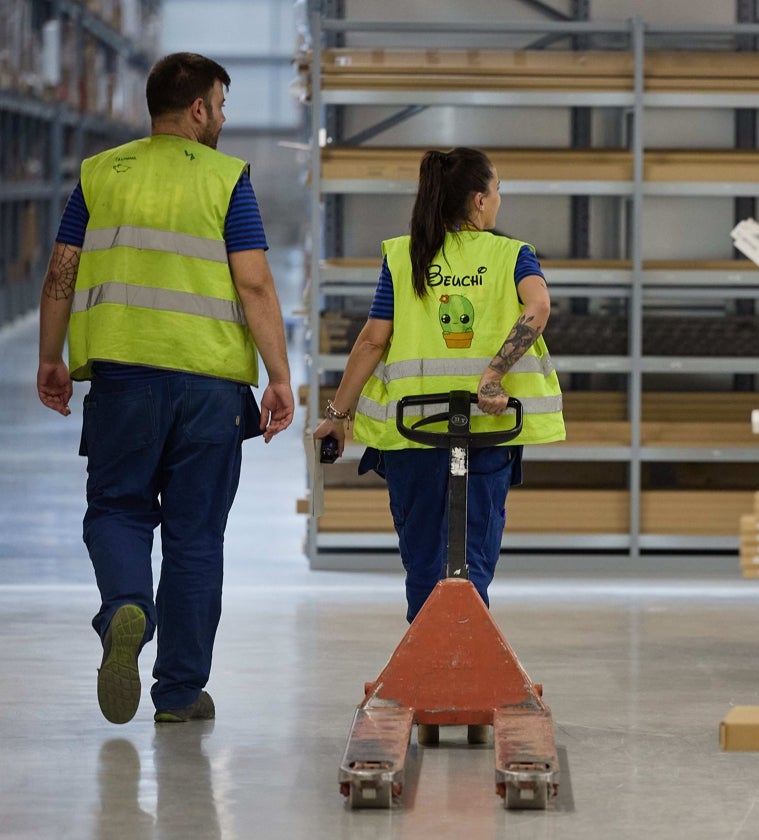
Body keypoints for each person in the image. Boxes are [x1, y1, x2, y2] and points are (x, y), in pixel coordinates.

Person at [36, 52, 294, 725]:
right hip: (210, 389)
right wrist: (280, 377)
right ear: (200, 110)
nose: (225, 119)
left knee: (118, 511)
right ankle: (178, 694)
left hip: (123, 380)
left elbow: (61, 271)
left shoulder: (101, 174)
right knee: (195, 538)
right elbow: (256, 282)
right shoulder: (225, 178)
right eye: (222, 105)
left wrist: (51, 357)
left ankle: (127, 604)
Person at [312, 147, 565, 622]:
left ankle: (427, 675)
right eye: (497, 191)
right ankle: (463, 670)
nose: (498, 201)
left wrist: (337, 417)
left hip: (414, 434)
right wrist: (492, 377)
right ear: (478, 201)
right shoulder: (511, 255)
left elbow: (372, 340)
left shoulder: (405, 256)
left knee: (424, 569)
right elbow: (539, 307)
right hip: (486, 435)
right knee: (473, 568)